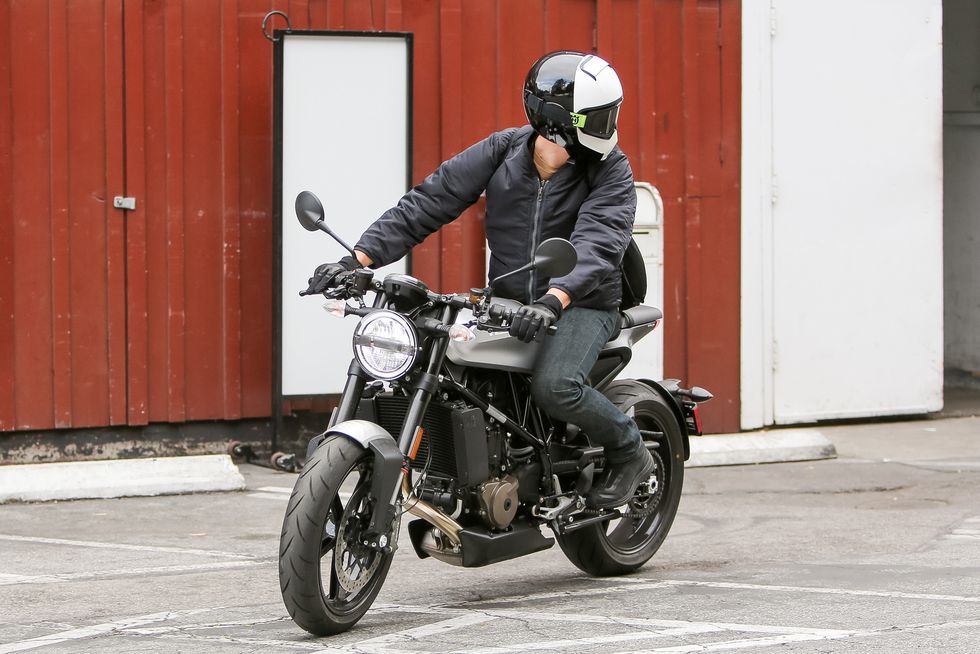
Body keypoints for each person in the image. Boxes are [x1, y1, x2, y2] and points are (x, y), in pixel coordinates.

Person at [306, 51, 653, 509]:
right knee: (440, 364)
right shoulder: (502, 150)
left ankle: (631, 452)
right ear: (558, 119)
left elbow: (599, 243)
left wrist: (555, 298)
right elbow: (430, 202)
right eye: (599, 115)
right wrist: (358, 259)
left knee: (557, 387)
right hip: (509, 301)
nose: (609, 124)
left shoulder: (611, 171)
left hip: (584, 302)